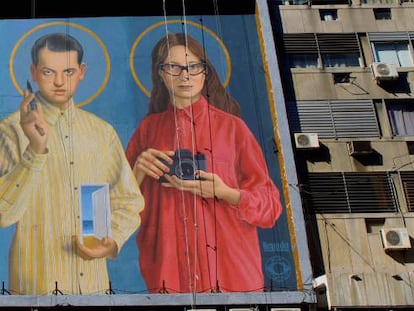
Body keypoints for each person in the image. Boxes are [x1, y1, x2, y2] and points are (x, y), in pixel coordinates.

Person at [125, 33, 283, 293]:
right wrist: (137, 173)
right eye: (173, 67)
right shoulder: (147, 131)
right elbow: (119, 211)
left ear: (205, 73)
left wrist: (226, 193)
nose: (184, 75)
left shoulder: (233, 129)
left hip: (233, 278)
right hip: (168, 279)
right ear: (161, 74)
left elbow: (270, 207)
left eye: (193, 67)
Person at [0, 32, 144, 295]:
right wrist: (35, 149)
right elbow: (3, 214)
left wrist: (111, 242)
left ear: (82, 71)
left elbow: (128, 200)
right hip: (37, 285)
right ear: (33, 72)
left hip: (94, 286)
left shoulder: (102, 132)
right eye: (47, 72)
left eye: (67, 71)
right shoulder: (10, 130)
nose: (58, 82)